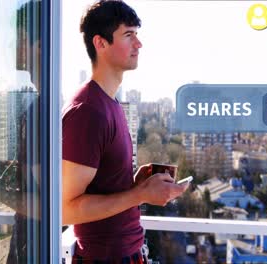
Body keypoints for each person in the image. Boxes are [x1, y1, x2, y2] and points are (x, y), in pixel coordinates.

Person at [62, 0, 189, 263]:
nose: (138, 44)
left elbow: (100, 186)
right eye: (128, 35)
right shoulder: (87, 111)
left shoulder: (111, 104)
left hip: (128, 253)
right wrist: (139, 194)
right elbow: (64, 210)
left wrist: (134, 182)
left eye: (137, 35)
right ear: (101, 43)